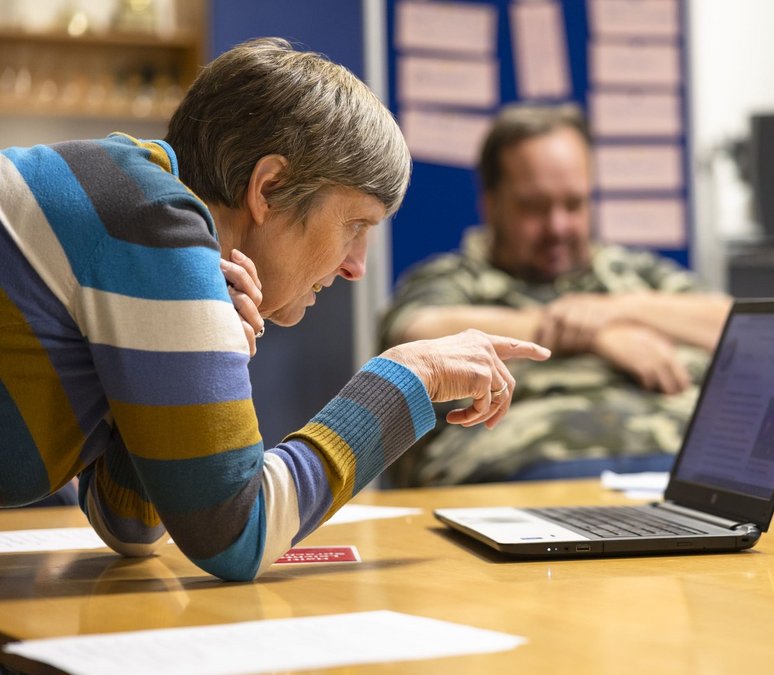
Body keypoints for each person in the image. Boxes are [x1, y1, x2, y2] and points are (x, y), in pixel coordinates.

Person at [0, 38, 549, 581]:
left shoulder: (131, 203)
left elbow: (131, 527)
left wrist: (187, 353)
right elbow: (237, 535)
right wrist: (411, 377)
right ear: (270, 187)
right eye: (355, 226)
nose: (357, 266)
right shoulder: (150, 217)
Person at [379, 103, 731, 486]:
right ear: (492, 204)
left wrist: (611, 311)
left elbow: (736, 325)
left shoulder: (634, 275)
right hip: (522, 478)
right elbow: (416, 333)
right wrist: (593, 335)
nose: (558, 226)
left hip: (686, 473)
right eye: (534, 207)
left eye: (574, 204)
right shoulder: (456, 279)